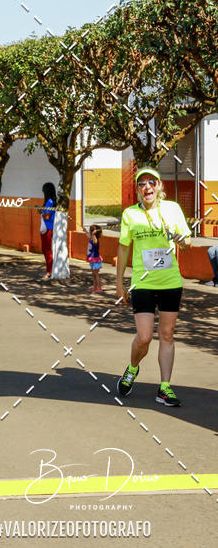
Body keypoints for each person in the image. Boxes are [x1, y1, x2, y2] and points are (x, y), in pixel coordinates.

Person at [116, 166, 191, 407]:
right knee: (145, 337)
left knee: (167, 335)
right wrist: (119, 282)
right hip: (143, 283)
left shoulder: (173, 209)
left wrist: (183, 240)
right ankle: (132, 368)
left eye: (152, 182)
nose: (147, 186)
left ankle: (164, 387)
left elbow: (187, 241)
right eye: (141, 183)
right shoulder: (130, 214)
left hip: (170, 282)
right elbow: (124, 247)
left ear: (159, 186)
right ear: (138, 189)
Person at [40, 182, 56, 278]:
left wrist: (42, 213)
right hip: (47, 227)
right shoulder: (50, 201)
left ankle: (49, 271)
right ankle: (49, 270)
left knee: (47, 250)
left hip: (47, 228)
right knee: (46, 249)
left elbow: (47, 216)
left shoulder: (49, 201)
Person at [86, 224, 103, 292]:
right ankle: (95, 287)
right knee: (93, 274)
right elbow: (88, 235)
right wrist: (85, 231)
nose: (89, 232)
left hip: (95, 259)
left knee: (96, 274)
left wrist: (93, 234)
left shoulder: (95, 239)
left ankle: (99, 287)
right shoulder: (91, 238)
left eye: (90, 231)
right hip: (92, 259)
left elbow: (94, 240)